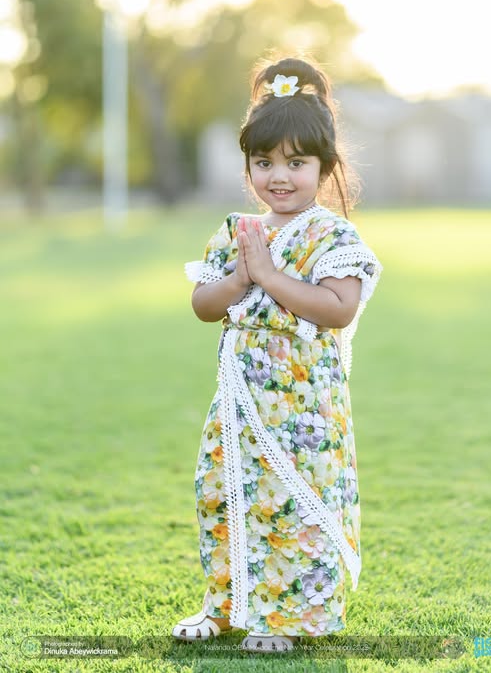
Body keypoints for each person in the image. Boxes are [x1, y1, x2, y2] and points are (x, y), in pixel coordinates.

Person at [171, 55, 383, 654]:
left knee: (294, 504)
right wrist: (240, 277)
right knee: (224, 491)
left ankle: (289, 616)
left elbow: (337, 307)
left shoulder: (333, 235)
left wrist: (270, 275)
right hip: (238, 400)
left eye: (296, 163)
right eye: (264, 163)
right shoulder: (238, 231)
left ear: (325, 167)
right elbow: (203, 304)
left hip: (303, 406)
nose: (279, 177)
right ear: (248, 168)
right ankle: (225, 604)